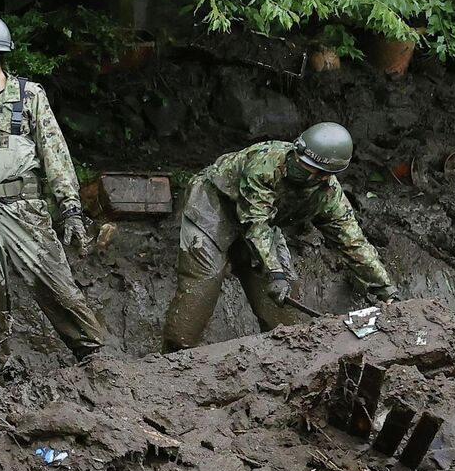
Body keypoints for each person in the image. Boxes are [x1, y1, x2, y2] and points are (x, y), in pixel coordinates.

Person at [162, 122, 398, 351]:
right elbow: (255, 222)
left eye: (309, 168)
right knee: (201, 289)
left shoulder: (328, 196)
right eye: (299, 160)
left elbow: (353, 242)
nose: (299, 166)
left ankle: (287, 368)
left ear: (326, 175)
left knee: (286, 315)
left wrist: (386, 291)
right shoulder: (266, 163)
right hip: (215, 208)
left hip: (264, 223)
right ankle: (172, 361)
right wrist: (274, 271)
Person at [0, 13, 106, 359]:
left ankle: (97, 359)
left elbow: (55, 154)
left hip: (24, 210)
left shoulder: (29, 96)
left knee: (60, 290)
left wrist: (71, 210)